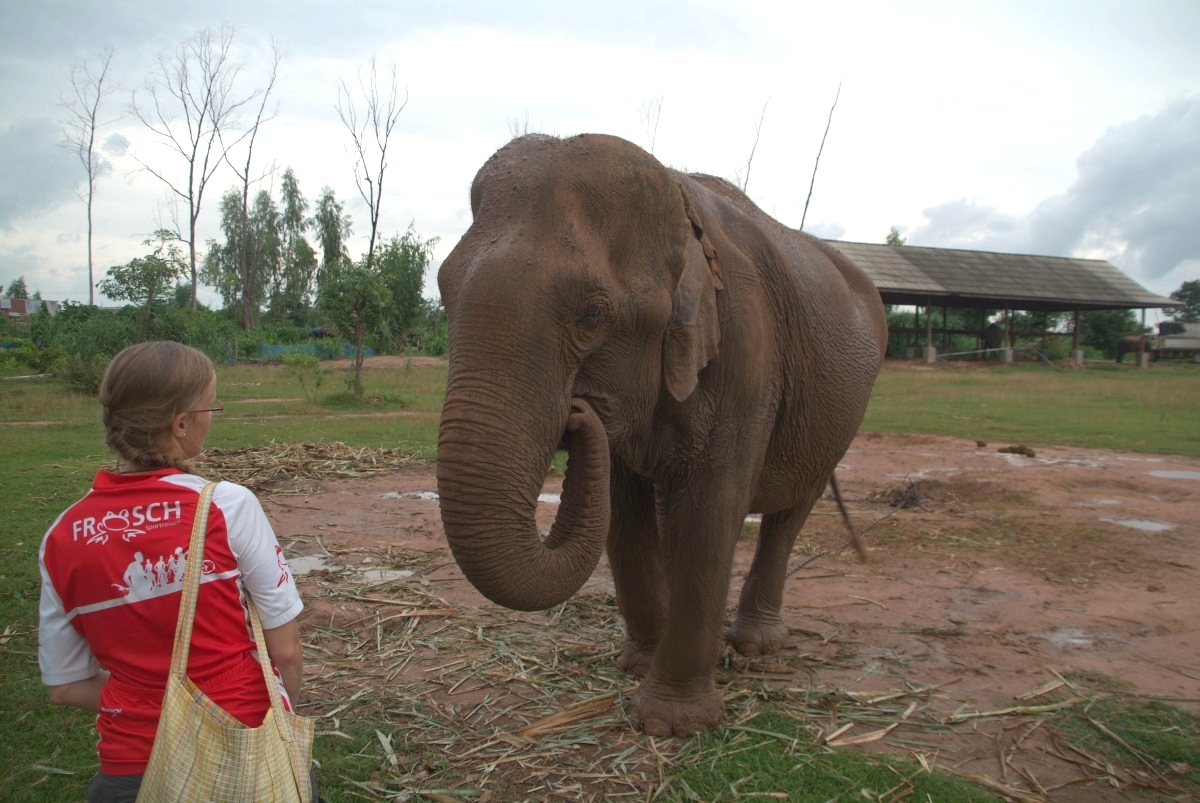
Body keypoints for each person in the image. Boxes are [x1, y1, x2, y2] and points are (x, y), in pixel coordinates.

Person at [38, 341, 308, 803]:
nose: (212, 417)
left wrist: (149, 703)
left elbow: (65, 686)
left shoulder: (60, 537)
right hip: (242, 738)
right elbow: (286, 653)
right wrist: (280, 731)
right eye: (211, 406)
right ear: (181, 424)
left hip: (132, 768)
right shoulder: (227, 506)